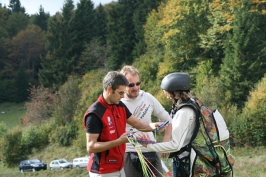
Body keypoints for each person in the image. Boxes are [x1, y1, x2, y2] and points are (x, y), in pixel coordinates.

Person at [83, 71, 163, 177]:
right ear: (109, 89)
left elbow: (138, 125)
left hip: (120, 167)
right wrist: (119, 141)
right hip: (103, 171)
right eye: (120, 93)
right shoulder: (94, 113)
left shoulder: (120, 106)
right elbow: (91, 147)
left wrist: (154, 126)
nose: (123, 96)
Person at [140, 72, 197, 177]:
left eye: (167, 93)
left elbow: (175, 145)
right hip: (186, 159)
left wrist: (149, 146)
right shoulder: (192, 102)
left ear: (175, 93)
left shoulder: (184, 111)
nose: (167, 97)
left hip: (184, 164)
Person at [120, 65, 172, 177]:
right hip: (129, 153)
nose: (135, 88)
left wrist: (166, 140)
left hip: (151, 150)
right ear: (123, 86)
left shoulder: (147, 97)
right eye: (131, 85)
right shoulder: (119, 103)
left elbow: (168, 119)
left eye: (138, 83)